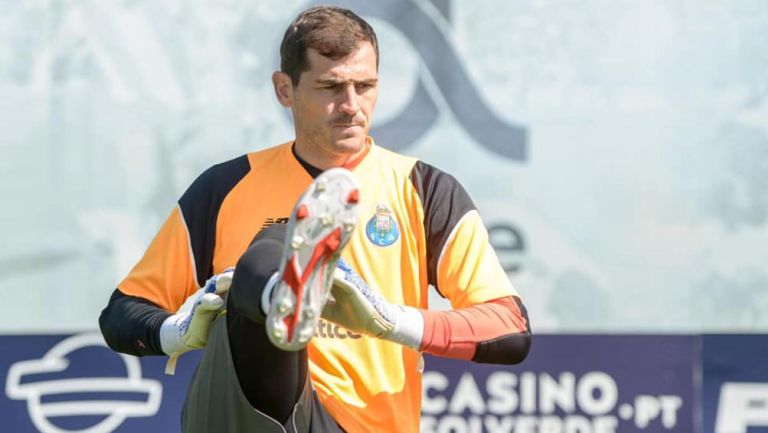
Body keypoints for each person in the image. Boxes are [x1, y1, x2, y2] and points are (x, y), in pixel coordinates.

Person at [99, 5, 531, 433]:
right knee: (261, 262)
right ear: (284, 90)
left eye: (365, 86)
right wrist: (180, 330)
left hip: (364, 426)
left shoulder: (422, 188)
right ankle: (283, 294)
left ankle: (283, 292)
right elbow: (122, 313)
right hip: (247, 412)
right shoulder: (224, 186)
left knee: (264, 260)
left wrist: (386, 320)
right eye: (331, 87)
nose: (351, 105)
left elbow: (509, 328)